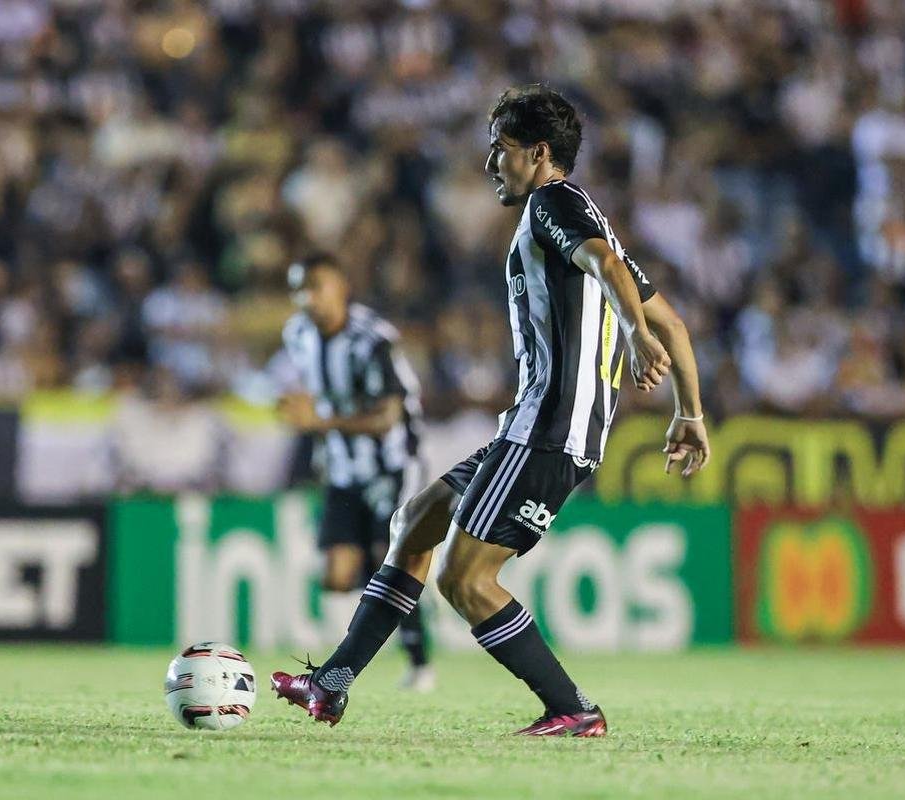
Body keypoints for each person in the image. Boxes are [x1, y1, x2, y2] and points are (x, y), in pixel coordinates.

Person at [272, 85, 710, 735]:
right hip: (537, 427)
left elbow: (610, 270)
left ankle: (573, 710)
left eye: (498, 150)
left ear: (538, 153)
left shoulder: (552, 204)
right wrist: (691, 414)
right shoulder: (582, 211)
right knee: (417, 521)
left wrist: (634, 334)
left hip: (548, 431)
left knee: (465, 580)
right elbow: (671, 319)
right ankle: (332, 682)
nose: (488, 164)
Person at [276, 253, 435, 691]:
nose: (308, 298)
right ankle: (393, 601)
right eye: (300, 289)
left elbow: (387, 416)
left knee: (393, 556)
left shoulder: (373, 339)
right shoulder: (297, 335)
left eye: (317, 287)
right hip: (344, 467)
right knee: (338, 576)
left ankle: (420, 662)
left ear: (342, 287)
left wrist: (319, 423)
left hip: (394, 463)